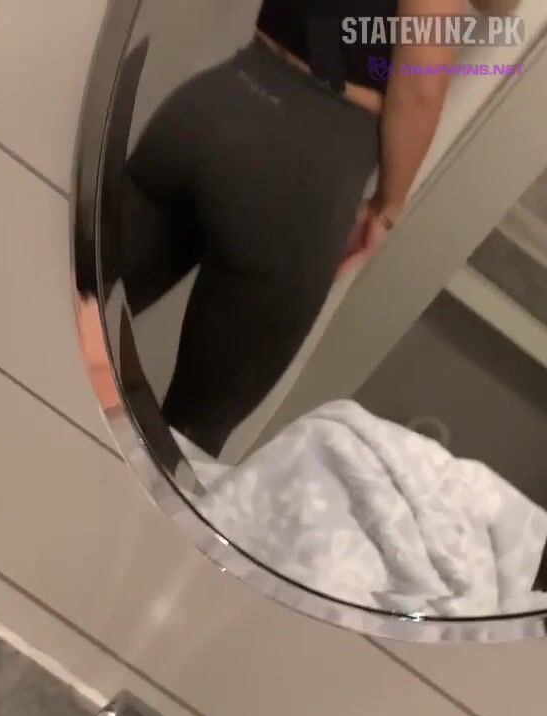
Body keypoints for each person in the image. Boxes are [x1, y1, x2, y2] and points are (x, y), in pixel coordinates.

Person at [117, 0, 515, 457]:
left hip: (211, 105)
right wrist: (387, 206)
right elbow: (419, 86)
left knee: (68, 329)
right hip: (301, 167)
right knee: (185, 439)